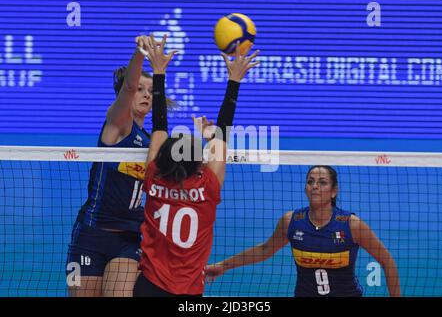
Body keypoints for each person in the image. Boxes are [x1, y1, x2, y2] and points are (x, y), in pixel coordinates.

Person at [132, 35, 260, 296]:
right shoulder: (208, 187)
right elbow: (222, 133)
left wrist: (159, 72)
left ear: (165, 155)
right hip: (188, 292)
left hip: (149, 287)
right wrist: (234, 81)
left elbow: (159, 127)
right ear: (200, 164)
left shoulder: (154, 177)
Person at [66, 35, 176, 297]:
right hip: (91, 234)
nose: (146, 95)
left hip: (128, 238)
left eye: (150, 91)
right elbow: (127, 88)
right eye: (141, 89)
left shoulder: (152, 141)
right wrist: (140, 53)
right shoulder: (116, 126)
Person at [205, 165, 401, 297]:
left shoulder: (351, 225)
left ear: (334, 191)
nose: (315, 186)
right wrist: (223, 265)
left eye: (322, 182)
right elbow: (265, 250)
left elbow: (387, 261)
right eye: (310, 181)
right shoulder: (292, 221)